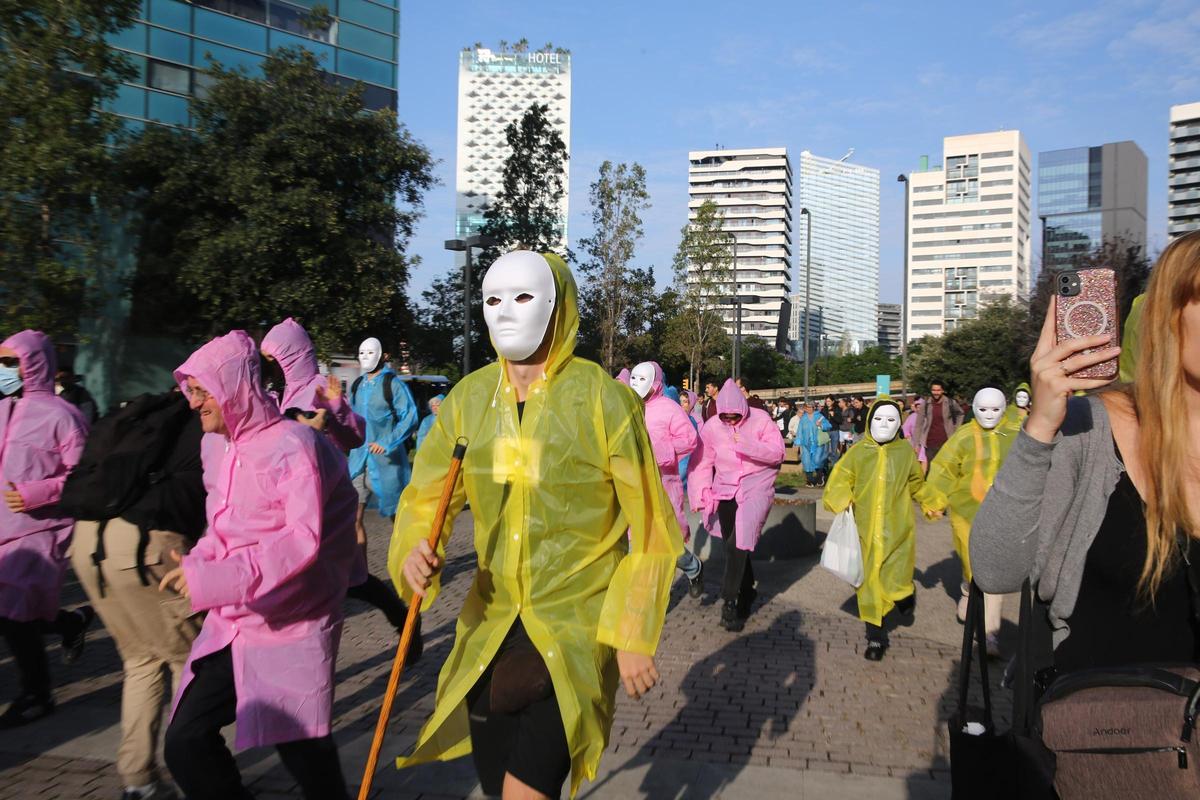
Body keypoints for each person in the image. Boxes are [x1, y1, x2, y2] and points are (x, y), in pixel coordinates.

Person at [390, 251, 680, 800]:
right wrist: (413, 551)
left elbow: (652, 526)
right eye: (492, 299)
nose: (505, 311)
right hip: (491, 626)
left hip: (574, 630)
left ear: (556, 304)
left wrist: (632, 632)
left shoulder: (603, 400)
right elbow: (426, 498)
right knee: (496, 785)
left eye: (522, 296)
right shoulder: (468, 402)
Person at [973, 232, 1200, 675]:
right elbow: (995, 571)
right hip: (1099, 713)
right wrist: (1041, 427)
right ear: (1170, 315)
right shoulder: (1090, 428)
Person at [162, 330, 360, 800]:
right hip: (235, 623)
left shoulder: (293, 444)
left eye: (202, 391)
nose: (193, 403)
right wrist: (198, 562)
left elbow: (301, 541)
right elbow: (223, 529)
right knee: (185, 741)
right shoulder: (225, 448)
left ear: (232, 387)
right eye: (191, 391)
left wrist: (217, 578)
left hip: (290, 627)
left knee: (305, 756)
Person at [69, 391, 205, 800]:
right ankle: (195, 775)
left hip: (88, 541)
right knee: (189, 661)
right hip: (145, 546)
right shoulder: (203, 425)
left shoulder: (142, 416)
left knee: (141, 660)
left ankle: (138, 780)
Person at [260, 319, 417, 652]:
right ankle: (398, 616)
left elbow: (355, 434)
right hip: (300, 497)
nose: (271, 366)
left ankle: (403, 618)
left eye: (274, 358)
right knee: (342, 575)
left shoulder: (321, 386)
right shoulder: (279, 392)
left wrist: (337, 410)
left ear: (290, 355)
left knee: (353, 575)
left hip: (330, 494)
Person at [0, 330, 93, 728]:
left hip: (42, 529)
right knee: (13, 614)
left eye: (9, 362)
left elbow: (84, 475)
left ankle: (36, 694)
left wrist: (36, 493)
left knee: (15, 615)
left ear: (33, 364)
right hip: (4, 530)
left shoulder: (63, 415)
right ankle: (70, 623)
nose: (3, 370)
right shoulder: (3, 409)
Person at [823, 397, 933, 661]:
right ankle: (876, 637)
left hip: (898, 531)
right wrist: (841, 498)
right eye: (879, 419)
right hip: (865, 533)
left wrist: (932, 502)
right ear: (870, 420)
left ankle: (904, 595)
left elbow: (916, 483)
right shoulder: (858, 452)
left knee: (895, 578)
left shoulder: (904, 452)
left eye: (891, 419)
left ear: (898, 424)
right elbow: (841, 478)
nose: (884, 424)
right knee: (869, 585)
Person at [688, 379, 786, 632]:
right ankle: (747, 590)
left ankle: (729, 601)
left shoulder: (761, 419)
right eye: (726, 416)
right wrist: (700, 493)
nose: (730, 420)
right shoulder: (712, 427)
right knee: (734, 545)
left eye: (735, 416)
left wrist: (747, 445)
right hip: (724, 489)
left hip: (756, 485)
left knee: (737, 543)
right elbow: (701, 462)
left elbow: (777, 453)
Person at [923, 388, 1014, 657]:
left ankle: (989, 634)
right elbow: (944, 469)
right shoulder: (962, 438)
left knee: (992, 572)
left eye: (995, 409)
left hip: (1003, 515)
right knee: (973, 566)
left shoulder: (1016, 436)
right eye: (983, 409)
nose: (989, 415)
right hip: (966, 514)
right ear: (973, 408)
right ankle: (967, 588)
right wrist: (934, 501)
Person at [630, 361, 704, 598]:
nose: (637, 384)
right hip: (634, 483)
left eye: (643, 379)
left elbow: (689, 439)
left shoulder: (669, 408)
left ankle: (692, 567)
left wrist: (661, 451)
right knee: (638, 541)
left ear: (655, 382)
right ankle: (648, 598)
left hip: (664, 483)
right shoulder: (627, 406)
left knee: (668, 539)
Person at [348, 336, 418, 574]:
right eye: (362, 352)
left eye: (370, 352)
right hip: (358, 462)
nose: (365, 357)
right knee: (354, 519)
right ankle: (361, 575)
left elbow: (410, 416)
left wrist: (387, 442)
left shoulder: (392, 384)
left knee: (397, 519)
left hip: (387, 464)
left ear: (380, 355)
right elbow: (351, 420)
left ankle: (407, 568)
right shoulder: (357, 385)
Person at [914, 380, 963, 464]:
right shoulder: (926, 404)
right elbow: (918, 424)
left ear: (942, 390)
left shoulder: (950, 403)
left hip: (947, 441)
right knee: (932, 467)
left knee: (946, 466)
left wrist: (956, 428)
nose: (936, 393)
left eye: (938, 390)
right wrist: (916, 443)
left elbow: (960, 414)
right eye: (934, 390)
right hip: (930, 442)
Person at [790, 402, 832, 487]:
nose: (809, 409)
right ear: (805, 408)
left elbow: (829, 425)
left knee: (817, 460)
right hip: (806, 443)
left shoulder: (819, 416)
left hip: (818, 443)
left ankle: (820, 477)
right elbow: (800, 430)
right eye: (807, 407)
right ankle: (810, 481)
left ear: (814, 407)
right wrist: (797, 441)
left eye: (811, 407)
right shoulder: (803, 418)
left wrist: (821, 425)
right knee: (806, 461)